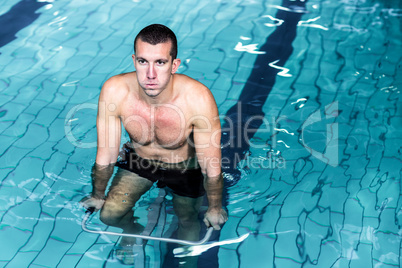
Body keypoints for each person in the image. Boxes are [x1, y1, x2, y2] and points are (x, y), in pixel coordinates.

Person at [80, 24, 227, 264]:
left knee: (188, 221)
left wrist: (214, 207)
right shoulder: (115, 90)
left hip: (184, 167)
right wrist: (97, 194)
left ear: (174, 65)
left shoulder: (197, 98)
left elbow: (211, 166)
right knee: (109, 215)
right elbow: (105, 155)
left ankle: (186, 262)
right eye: (142, 62)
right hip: (140, 161)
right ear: (133, 60)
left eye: (159, 62)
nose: (150, 74)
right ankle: (132, 230)